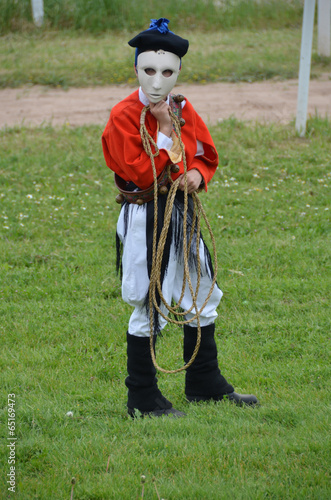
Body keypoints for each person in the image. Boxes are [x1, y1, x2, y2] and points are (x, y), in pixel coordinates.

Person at [102, 18, 258, 417]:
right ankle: (142, 396)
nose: (157, 81)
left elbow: (205, 153)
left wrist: (196, 173)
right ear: (136, 68)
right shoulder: (124, 116)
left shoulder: (184, 109)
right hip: (146, 216)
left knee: (200, 290)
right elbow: (140, 172)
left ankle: (204, 381)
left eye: (167, 71)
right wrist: (166, 129)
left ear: (179, 72)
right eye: (149, 70)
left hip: (182, 213)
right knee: (151, 300)